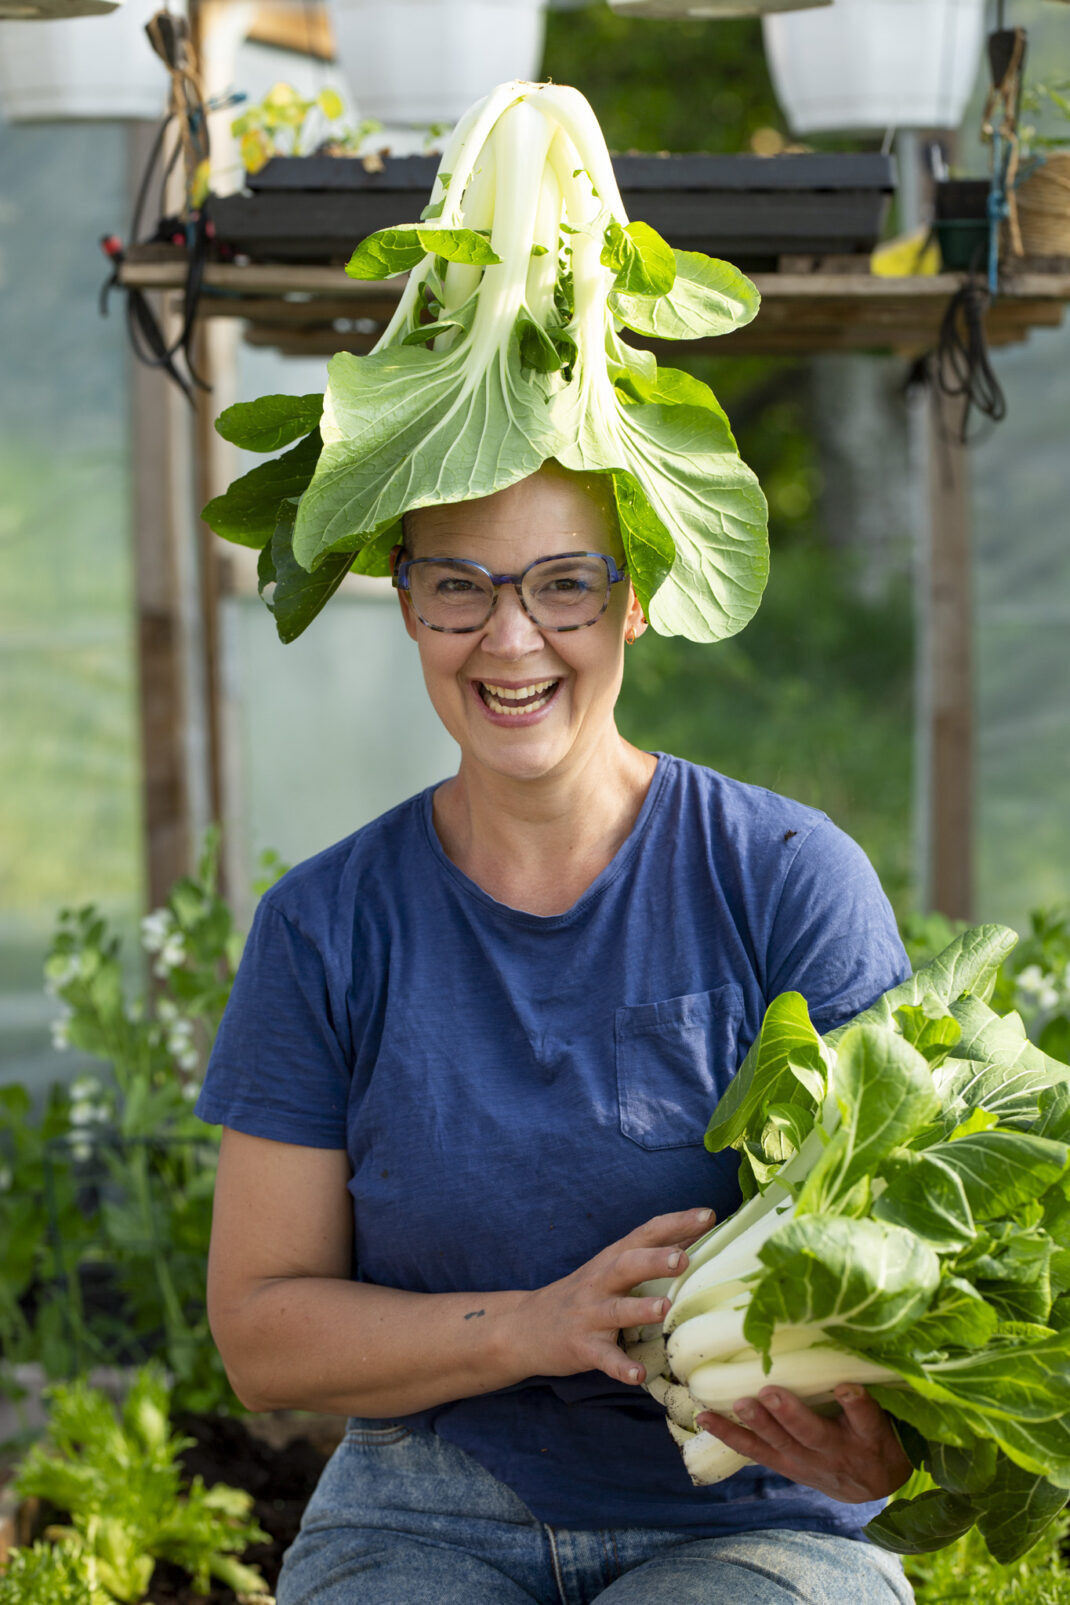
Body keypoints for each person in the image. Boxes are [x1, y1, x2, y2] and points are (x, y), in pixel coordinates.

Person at [196, 460, 916, 1605]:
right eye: (458, 588)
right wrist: (533, 1327)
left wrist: (889, 1447)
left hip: (756, 1515)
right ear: (406, 601)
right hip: (422, 1507)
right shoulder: (325, 925)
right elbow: (262, 1334)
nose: (510, 639)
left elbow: (900, 1257)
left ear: (632, 599)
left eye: (564, 585)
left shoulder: (783, 880)